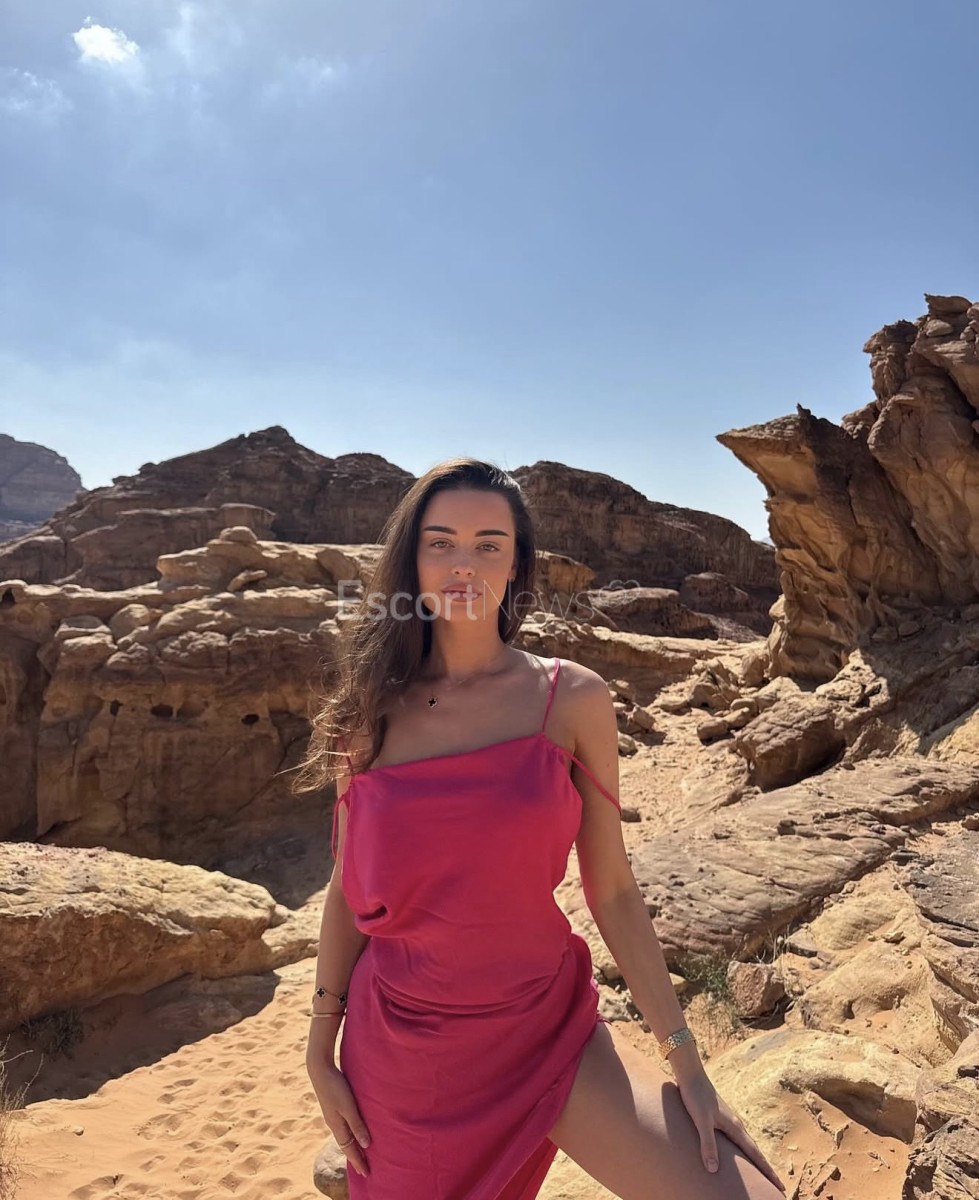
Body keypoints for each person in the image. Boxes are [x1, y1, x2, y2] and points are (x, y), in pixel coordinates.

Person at [295, 457, 787, 1200]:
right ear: (411, 559)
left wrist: (686, 1062)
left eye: (488, 544)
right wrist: (319, 1048)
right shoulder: (367, 714)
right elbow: (346, 887)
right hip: (404, 1057)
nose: (464, 564)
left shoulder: (571, 699)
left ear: (518, 564)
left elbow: (612, 890)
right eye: (441, 543)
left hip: (548, 1031)